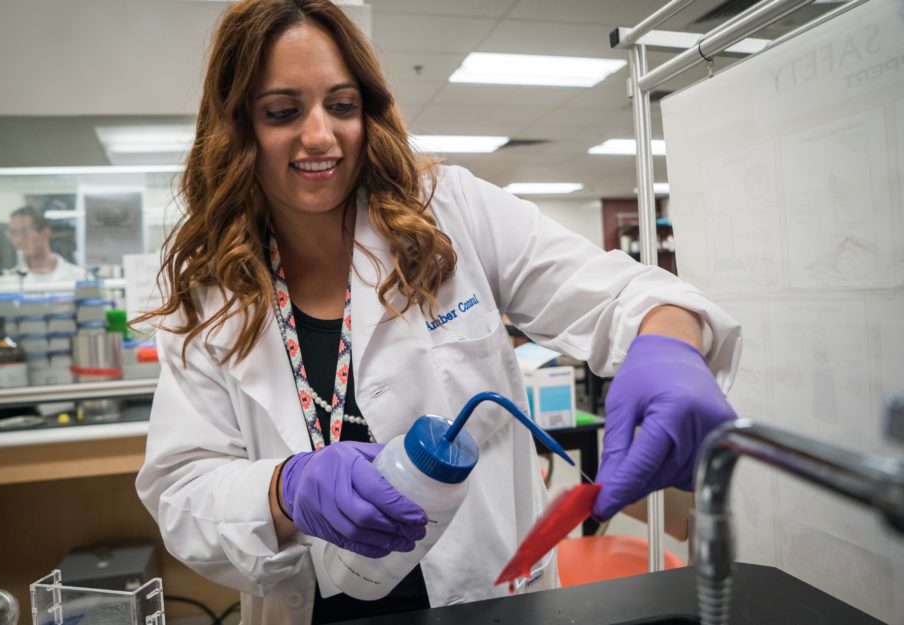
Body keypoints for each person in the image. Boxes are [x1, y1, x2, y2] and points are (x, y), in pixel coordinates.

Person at [134, 1, 741, 624]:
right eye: (283, 111)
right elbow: (181, 490)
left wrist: (669, 343)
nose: (320, 135)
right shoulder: (211, 295)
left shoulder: (449, 211)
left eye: (342, 105)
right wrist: (284, 489)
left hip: (488, 600)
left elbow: (622, 294)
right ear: (239, 128)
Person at [0, 206, 88, 284]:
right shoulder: (2, 284)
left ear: (45, 233)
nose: (18, 239)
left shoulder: (80, 278)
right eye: (14, 233)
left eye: (24, 231)